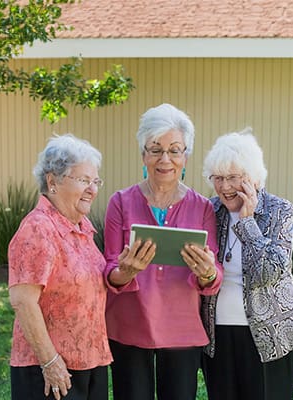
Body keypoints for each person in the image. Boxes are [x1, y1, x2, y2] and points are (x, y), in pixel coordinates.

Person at [104, 103, 223, 400]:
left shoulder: (203, 207)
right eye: (155, 149)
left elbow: (214, 275)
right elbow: (108, 270)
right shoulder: (120, 202)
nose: (164, 159)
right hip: (129, 325)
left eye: (174, 150)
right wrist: (125, 272)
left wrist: (207, 272)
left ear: (186, 156)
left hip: (182, 328)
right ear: (143, 154)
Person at [200, 129, 293, 400]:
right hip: (218, 333)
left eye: (232, 178)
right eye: (218, 178)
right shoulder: (209, 210)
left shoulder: (279, 210)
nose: (224, 187)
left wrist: (247, 223)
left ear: (252, 178)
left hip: (272, 331)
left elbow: (271, 271)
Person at [8, 134, 111, 400]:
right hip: (50, 369)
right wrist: (50, 362)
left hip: (90, 362)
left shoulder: (82, 228)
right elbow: (23, 302)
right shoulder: (38, 229)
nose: (93, 189)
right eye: (84, 180)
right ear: (52, 181)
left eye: (95, 181)